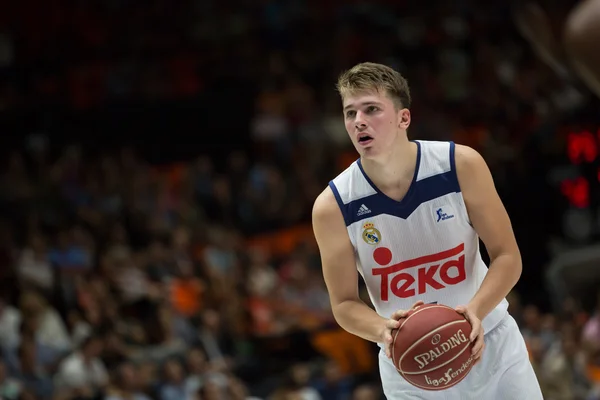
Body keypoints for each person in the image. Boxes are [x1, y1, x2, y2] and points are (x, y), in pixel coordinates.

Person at [311, 62, 543, 399]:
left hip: (491, 343)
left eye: (371, 109)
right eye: (350, 113)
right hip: (409, 367)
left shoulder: (460, 165)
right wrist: (384, 330)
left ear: (404, 118)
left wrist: (473, 312)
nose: (358, 121)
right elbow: (344, 304)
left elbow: (508, 257)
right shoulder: (333, 206)